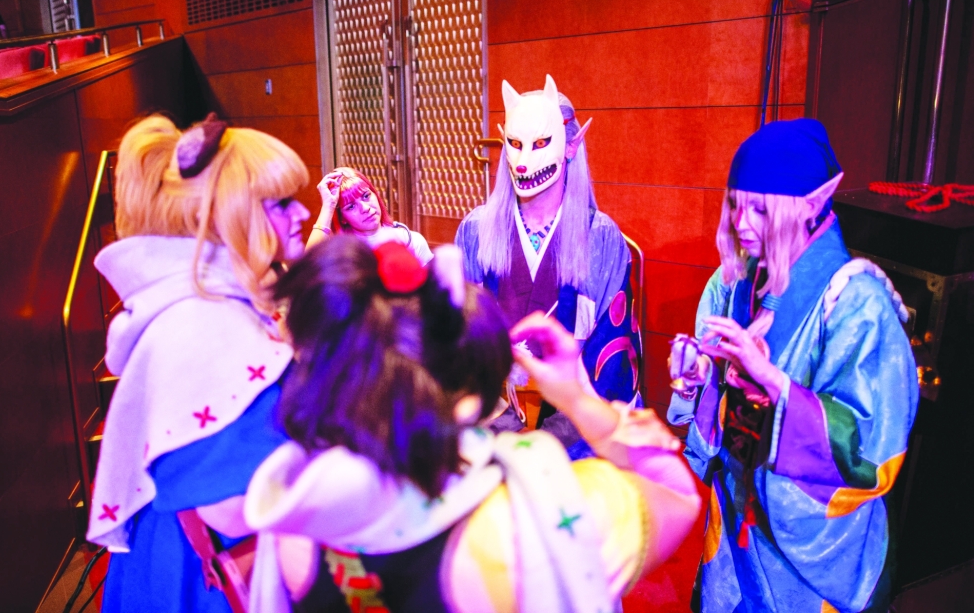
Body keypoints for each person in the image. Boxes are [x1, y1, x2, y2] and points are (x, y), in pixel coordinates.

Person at [242, 238, 701, 613]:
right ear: (465, 406)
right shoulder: (534, 517)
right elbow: (677, 496)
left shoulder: (295, 519)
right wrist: (576, 396)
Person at [666, 119, 918, 613]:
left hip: (806, 546)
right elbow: (725, 401)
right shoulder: (744, 281)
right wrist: (703, 377)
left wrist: (776, 386)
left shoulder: (859, 304)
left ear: (812, 204)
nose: (741, 223)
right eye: (736, 204)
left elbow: (873, 449)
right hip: (738, 520)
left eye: (760, 209)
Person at [86, 113, 311, 612]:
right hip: (204, 581)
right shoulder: (203, 326)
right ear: (223, 216)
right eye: (279, 203)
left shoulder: (212, 309)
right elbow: (233, 509)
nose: (302, 213)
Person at [455, 75, 641, 458]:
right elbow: (458, 339)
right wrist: (505, 424)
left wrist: (549, 441)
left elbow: (611, 357)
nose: (525, 162)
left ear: (571, 146)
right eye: (516, 145)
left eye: (541, 144)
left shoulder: (601, 238)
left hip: (575, 426)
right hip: (489, 419)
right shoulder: (475, 231)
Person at [306, 166, 433, 265]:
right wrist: (329, 205)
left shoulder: (411, 240)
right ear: (343, 218)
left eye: (366, 196)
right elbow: (308, 266)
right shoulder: (338, 253)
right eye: (351, 206)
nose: (365, 208)